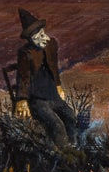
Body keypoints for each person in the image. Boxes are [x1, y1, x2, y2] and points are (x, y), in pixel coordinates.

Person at [12, 8, 79, 146]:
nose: (45, 38)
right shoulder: (25, 53)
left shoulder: (50, 45)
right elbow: (23, 77)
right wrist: (22, 99)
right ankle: (63, 152)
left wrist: (58, 85)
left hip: (52, 95)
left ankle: (74, 146)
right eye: (39, 36)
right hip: (37, 100)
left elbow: (54, 66)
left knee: (70, 116)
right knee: (57, 125)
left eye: (43, 33)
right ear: (31, 39)